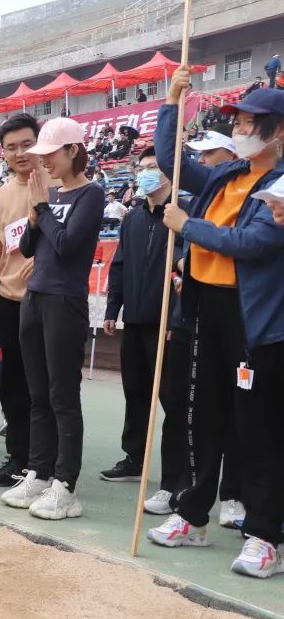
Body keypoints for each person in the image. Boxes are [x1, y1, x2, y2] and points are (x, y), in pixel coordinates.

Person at [148, 73, 284, 580]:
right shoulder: (227, 177)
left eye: (253, 122)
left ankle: (264, 535)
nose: (243, 129)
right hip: (206, 311)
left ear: (279, 132)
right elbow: (171, 162)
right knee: (202, 417)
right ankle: (193, 513)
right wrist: (171, 102)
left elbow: (252, 244)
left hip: (254, 320)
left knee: (258, 428)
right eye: (241, 121)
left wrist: (189, 226)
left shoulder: (280, 185)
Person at [0, 117, 104, 520]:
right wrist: (34, 213)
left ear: (72, 151)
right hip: (35, 298)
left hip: (64, 301)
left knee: (62, 394)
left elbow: (65, 246)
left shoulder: (90, 195)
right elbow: (28, 248)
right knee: (37, 393)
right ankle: (40, 472)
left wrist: (43, 208)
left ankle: (66, 484)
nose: (43, 163)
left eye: (49, 154)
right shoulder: (51, 195)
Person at [101, 151, 184, 484]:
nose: (145, 174)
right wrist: (112, 309)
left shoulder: (180, 216)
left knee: (172, 399)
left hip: (166, 326)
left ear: (169, 175)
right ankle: (133, 458)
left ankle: (175, 477)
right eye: (143, 168)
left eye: (153, 168)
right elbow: (119, 266)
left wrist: (177, 319)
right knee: (135, 392)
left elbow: (188, 275)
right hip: (134, 320)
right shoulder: (133, 218)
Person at [0, 114, 41, 487]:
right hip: (8, 299)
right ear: (2, 153)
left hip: (47, 302)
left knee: (44, 386)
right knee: (14, 384)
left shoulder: (58, 185)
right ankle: (18, 458)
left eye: (27, 144)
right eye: (11, 147)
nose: (20, 153)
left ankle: (48, 463)